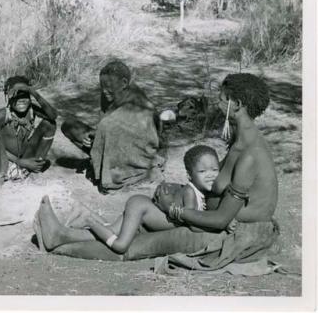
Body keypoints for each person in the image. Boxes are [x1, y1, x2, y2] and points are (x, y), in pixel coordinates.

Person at [34, 73, 279, 270]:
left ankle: (60, 245)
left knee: (134, 246)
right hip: (208, 221)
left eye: (222, 99)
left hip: (222, 234)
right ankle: (62, 234)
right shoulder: (242, 142)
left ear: (236, 105)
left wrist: (177, 210)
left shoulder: (249, 154)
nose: (217, 102)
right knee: (138, 223)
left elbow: (222, 219)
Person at [62, 145, 221, 254]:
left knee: (111, 230)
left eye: (215, 169)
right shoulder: (190, 193)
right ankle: (89, 221)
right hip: (141, 208)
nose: (211, 175)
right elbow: (194, 226)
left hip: (142, 206)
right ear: (190, 176)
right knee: (120, 245)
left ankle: (84, 213)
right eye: (203, 171)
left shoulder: (200, 191)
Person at [61, 60, 163, 192]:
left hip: (136, 152)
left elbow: (149, 139)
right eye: (101, 86)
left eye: (108, 86)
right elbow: (104, 124)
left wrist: (100, 135)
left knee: (107, 127)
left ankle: (108, 173)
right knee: (69, 125)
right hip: (111, 142)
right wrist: (93, 138)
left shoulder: (140, 104)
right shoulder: (109, 95)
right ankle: (101, 163)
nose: (104, 91)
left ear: (124, 83)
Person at [0, 75, 57, 183]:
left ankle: (35, 168)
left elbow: (53, 115)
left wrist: (33, 92)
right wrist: (20, 162)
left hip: (26, 158)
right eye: (17, 96)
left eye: (25, 95)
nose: (21, 100)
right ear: (8, 97)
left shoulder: (32, 110)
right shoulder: (3, 114)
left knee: (50, 124)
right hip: (7, 160)